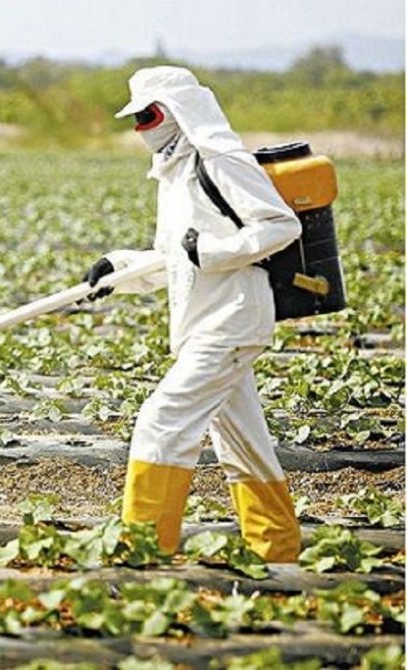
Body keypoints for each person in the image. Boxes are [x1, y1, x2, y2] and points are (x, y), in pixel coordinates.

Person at [83, 66, 303, 562]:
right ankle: (278, 551)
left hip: (231, 320)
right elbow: (174, 257)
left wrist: (216, 253)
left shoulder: (220, 160)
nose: (142, 126)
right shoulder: (174, 173)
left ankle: (143, 549)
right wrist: (117, 270)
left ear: (177, 111)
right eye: (137, 118)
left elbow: (279, 225)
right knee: (242, 442)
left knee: (162, 423)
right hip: (204, 322)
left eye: (148, 114)